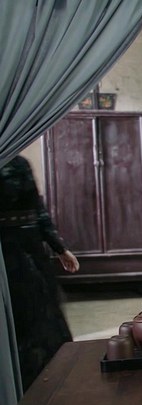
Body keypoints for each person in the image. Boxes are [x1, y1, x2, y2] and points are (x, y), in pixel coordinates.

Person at [0, 155, 79, 392]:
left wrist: (60, 248)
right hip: (5, 256)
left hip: (31, 251)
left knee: (44, 318)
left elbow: (37, 209)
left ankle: (51, 381)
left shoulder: (18, 162)